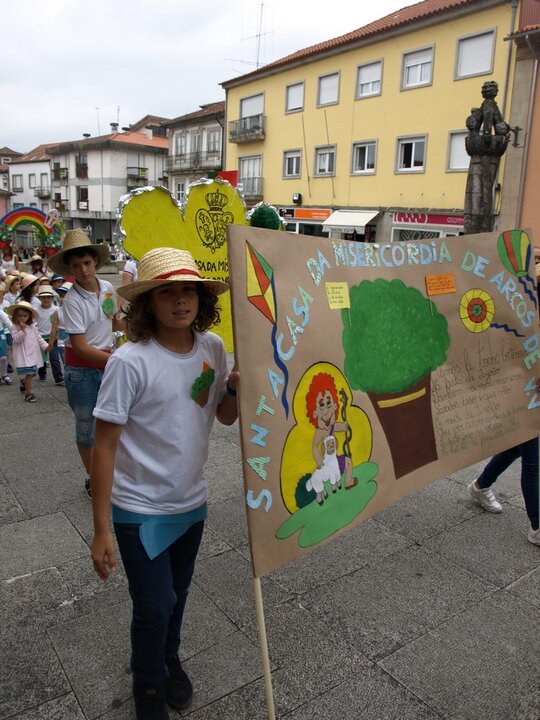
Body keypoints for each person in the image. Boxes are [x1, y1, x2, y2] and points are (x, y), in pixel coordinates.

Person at [90, 247, 238, 720]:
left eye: (188, 291)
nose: (180, 301)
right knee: (154, 606)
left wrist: (238, 386)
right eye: (167, 292)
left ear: (202, 299)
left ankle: (169, 658)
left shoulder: (213, 349)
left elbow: (224, 415)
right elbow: (103, 446)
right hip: (138, 510)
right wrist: (101, 529)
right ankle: (148, 683)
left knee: (178, 596)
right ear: (147, 302)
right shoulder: (129, 362)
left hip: (191, 503)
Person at [468, 263, 540, 547]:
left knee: (518, 446)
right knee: (533, 461)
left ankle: (481, 484)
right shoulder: (522, 312)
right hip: (522, 393)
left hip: (531, 392)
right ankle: (537, 525)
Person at [48, 229, 122, 497]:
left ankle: (110, 470)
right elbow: (79, 346)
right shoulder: (72, 300)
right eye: (76, 265)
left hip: (107, 364)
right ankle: (93, 477)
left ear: (96, 262)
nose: (83, 270)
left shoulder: (107, 288)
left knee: (113, 422)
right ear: (69, 269)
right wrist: (118, 361)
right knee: (86, 428)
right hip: (82, 371)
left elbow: (113, 321)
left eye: (87, 263)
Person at [7, 300, 51, 403]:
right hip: (23, 356)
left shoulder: (32, 327)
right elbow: (17, 340)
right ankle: (28, 394)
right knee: (29, 374)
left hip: (33, 355)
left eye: (25, 316)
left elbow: (39, 338)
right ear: (15, 316)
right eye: (19, 315)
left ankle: (23, 382)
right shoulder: (14, 327)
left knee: (32, 373)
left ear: (29, 316)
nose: (22, 318)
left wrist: (46, 347)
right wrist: (22, 330)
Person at [35, 285, 63, 385]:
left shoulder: (56, 309)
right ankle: (42, 374)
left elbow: (59, 324)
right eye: (43, 297)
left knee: (54, 358)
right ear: (39, 298)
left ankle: (58, 378)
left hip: (53, 336)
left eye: (48, 297)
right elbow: (33, 324)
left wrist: (57, 334)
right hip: (40, 337)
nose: (46, 299)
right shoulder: (36, 310)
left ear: (52, 298)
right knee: (42, 359)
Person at [0, 303, 13, 385]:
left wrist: (15, 333)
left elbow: (8, 322)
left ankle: (4, 374)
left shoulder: (0, 312)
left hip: (0, 334)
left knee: (3, 357)